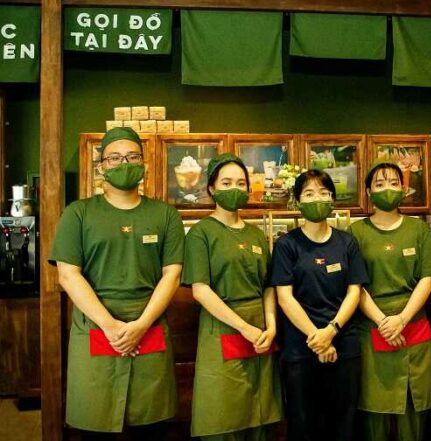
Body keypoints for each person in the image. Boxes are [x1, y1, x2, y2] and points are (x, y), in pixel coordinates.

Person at [49, 127, 184, 439]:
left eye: (132, 156)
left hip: (149, 327)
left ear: (143, 164)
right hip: (96, 327)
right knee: (96, 426)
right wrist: (110, 326)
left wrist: (141, 325)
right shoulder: (78, 213)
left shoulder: (165, 215)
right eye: (115, 157)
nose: (125, 162)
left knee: (151, 428)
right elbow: (68, 274)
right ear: (101, 167)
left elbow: (172, 275)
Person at [183, 153, 283, 441]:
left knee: (260, 414)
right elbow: (201, 290)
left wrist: (270, 326)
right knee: (224, 416)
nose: (235, 188)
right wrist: (244, 328)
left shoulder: (255, 234)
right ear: (212, 188)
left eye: (241, 183)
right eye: (226, 183)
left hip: (260, 334)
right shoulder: (201, 233)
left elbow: (268, 285)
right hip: (223, 329)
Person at [270, 169, 368, 441]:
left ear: (333, 199)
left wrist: (332, 330)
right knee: (303, 423)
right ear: (297, 201)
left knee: (345, 423)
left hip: (344, 343)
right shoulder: (286, 245)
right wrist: (318, 338)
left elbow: (354, 291)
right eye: (309, 193)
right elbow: (284, 297)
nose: (317, 199)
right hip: (301, 348)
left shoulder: (347, 242)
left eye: (324, 193)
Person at [348, 160, 431, 441]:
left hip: (413, 323)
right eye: (379, 184)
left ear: (403, 189)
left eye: (393, 183)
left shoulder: (419, 230)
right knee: (376, 408)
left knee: (414, 407)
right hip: (373, 325)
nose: (387, 188)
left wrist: (402, 319)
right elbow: (355, 286)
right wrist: (383, 322)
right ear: (368, 192)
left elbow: (428, 278)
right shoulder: (356, 232)